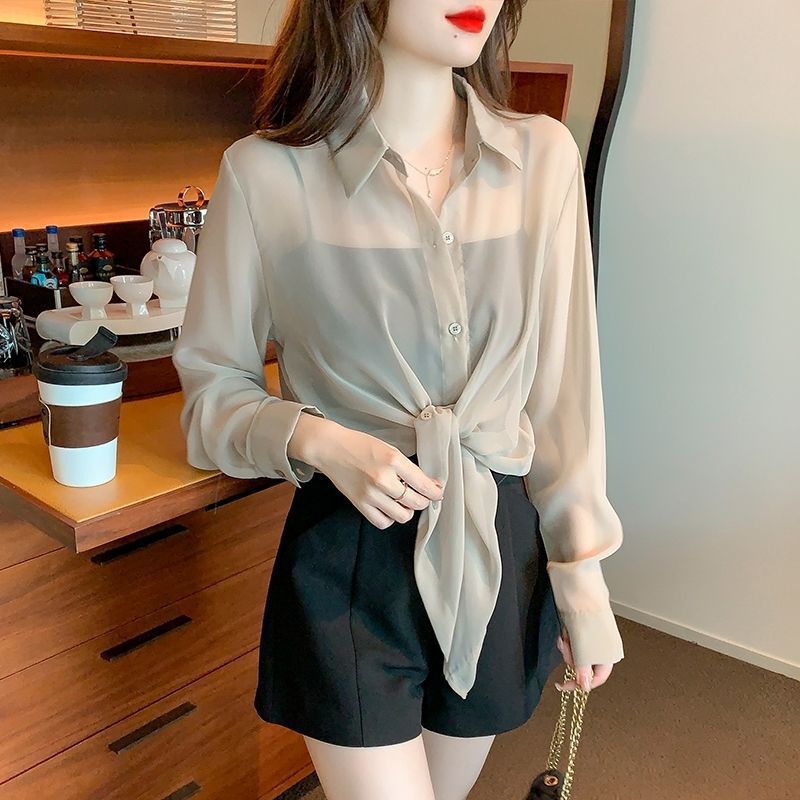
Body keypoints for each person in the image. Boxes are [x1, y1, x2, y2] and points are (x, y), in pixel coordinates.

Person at [171, 1, 626, 798]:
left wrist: (580, 575)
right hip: (352, 551)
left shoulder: (544, 159)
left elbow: (563, 396)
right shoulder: (266, 174)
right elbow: (211, 391)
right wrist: (316, 439)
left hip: (496, 541)